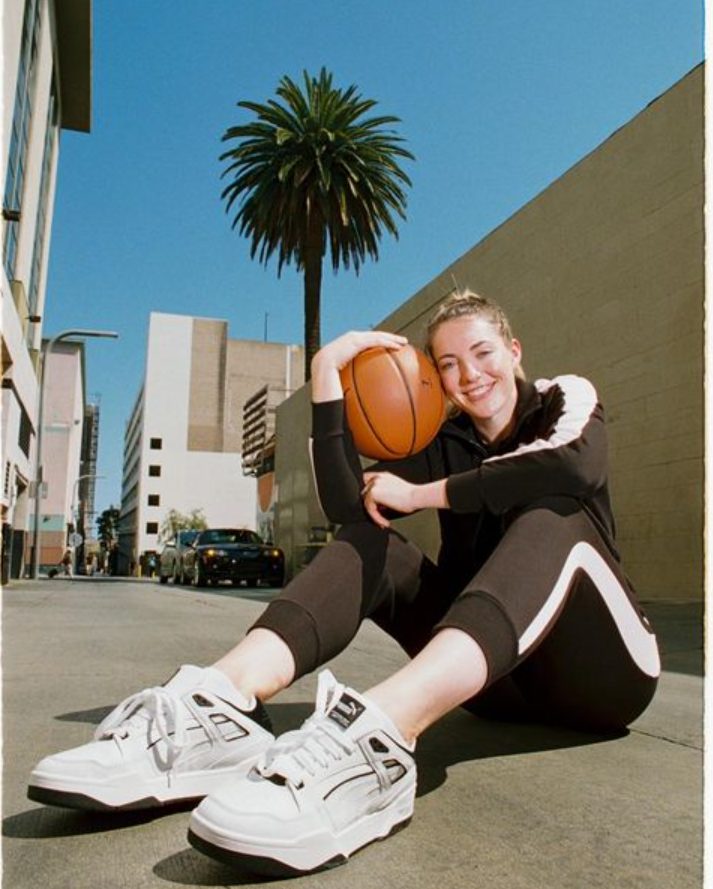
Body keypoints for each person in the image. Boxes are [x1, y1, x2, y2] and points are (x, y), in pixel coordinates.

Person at [27, 290, 660, 877]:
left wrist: (425, 492)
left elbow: (576, 464)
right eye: (448, 363)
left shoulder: (562, 400)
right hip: (495, 685)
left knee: (556, 509)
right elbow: (350, 506)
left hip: (602, 681)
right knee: (374, 539)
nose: (469, 374)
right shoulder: (447, 441)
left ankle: (378, 736)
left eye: (483, 353)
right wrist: (326, 381)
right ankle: (217, 707)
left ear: (513, 352)